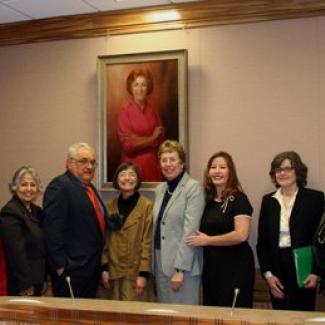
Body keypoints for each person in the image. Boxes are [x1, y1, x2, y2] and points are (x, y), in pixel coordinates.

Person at [256, 151, 324, 311]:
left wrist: (316, 272)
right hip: (277, 267)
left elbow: (321, 241)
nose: (282, 173)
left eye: (288, 168)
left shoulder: (315, 199)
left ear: (298, 171)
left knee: (303, 316)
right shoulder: (268, 201)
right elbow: (263, 243)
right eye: (278, 170)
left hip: (304, 266)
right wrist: (268, 275)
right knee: (280, 315)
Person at [187, 151, 255, 308]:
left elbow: (241, 235)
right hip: (212, 267)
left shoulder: (239, 199)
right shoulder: (208, 201)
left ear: (230, 172)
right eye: (213, 167)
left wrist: (208, 240)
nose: (217, 171)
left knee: (234, 314)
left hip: (236, 267)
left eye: (222, 167)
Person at [43, 142, 108, 298]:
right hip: (71, 271)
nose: (90, 166)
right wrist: (60, 266)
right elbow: (52, 230)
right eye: (83, 161)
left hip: (90, 271)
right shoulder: (59, 186)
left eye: (93, 162)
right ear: (69, 163)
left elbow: (92, 225)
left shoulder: (89, 188)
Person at [153, 140, 205, 304]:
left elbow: (190, 231)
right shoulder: (160, 189)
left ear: (182, 164)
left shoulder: (193, 188)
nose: (168, 164)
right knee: (165, 316)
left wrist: (180, 269)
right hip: (160, 263)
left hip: (182, 268)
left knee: (182, 317)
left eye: (172, 159)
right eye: (164, 160)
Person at [101, 162, 153, 301]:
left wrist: (143, 274)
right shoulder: (108, 207)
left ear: (138, 179)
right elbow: (103, 241)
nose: (127, 178)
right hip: (112, 273)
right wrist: (104, 268)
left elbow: (147, 242)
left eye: (132, 174)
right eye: (122, 174)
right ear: (117, 180)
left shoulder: (147, 206)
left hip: (135, 274)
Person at [0, 166, 46, 296]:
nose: (29, 189)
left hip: (37, 279)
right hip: (23, 284)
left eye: (32, 185)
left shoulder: (36, 211)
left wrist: (43, 278)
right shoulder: (10, 212)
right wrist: (25, 284)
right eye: (24, 184)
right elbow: (16, 252)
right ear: (15, 187)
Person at [117, 68, 165, 182]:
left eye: (143, 85)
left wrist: (137, 140)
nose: (140, 89)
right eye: (136, 85)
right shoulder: (125, 112)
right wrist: (151, 138)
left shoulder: (153, 109)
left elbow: (161, 139)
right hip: (132, 168)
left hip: (153, 167)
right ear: (131, 87)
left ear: (148, 87)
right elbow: (127, 145)